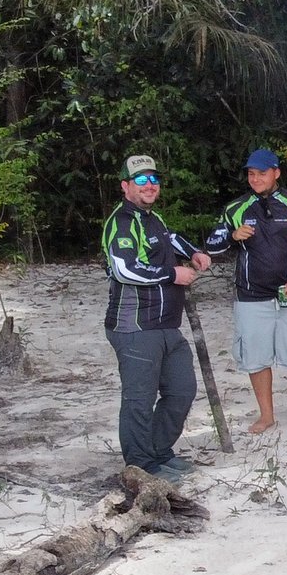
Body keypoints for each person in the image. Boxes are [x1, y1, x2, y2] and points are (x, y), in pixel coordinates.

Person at [203, 148, 287, 434]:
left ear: (276, 173)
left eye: (261, 174)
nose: (255, 179)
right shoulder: (236, 209)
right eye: (251, 174)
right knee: (256, 358)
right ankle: (266, 416)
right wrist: (231, 235)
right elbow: (211, 246)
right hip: (251, 297)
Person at [100, 153, 210, 481]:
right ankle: (140, 466)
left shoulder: (154, 219)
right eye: (141, 180)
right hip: (134, 325)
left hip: (166, 325)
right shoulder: (121, 221)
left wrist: (194, 252)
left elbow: (171, 238)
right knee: (139, 398)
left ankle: (158, 451)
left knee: (181, 390)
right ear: (125, 186)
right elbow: (124, 268)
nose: (149, 186)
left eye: (154, 179)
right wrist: (172, 274)